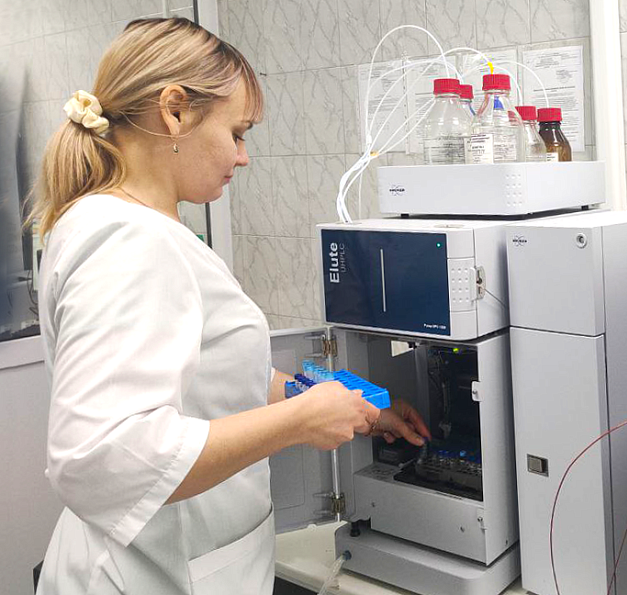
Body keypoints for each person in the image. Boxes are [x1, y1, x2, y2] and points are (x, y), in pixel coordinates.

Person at [30, 18, 430, 595]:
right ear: (174, 111)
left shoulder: (122, 222)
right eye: (237, 133)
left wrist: (350, 401)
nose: (243, 157)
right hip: (151, 573)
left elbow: (209, 377)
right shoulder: (130, 241)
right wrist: (301, 420)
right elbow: (105, 456)